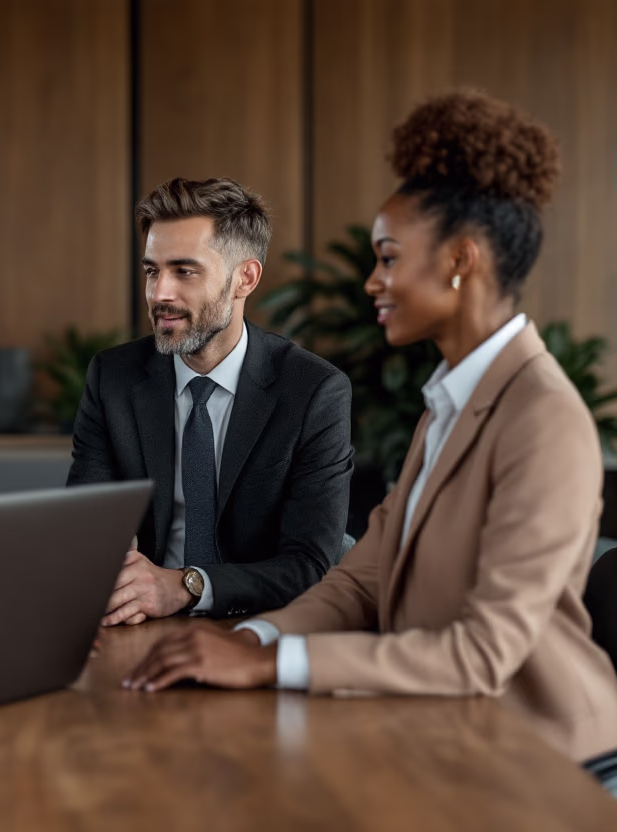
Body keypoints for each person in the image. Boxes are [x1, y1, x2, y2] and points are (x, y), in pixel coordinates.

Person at [126, 91, 617, 765]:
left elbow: (482, 654)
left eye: (387, 258)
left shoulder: (544, 418)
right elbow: (362, 579)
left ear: (459, 261)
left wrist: (275, 665)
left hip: (537, 758)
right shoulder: (450, 404)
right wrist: (252, 641)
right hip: (438, 731)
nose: (371, 282)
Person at [68, 177, 353, 624]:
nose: (159, 293)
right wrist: (105, 556)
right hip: (139, 623)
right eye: (151, 271)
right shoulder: (113, 378)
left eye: (184, 271)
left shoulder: (313, 391)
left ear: (246, 277)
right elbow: (86, 525)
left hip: (260, 623)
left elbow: (309, 566)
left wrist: (186, 586)